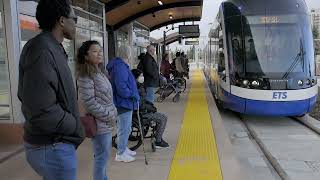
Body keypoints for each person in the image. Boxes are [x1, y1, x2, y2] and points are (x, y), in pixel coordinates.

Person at [17, 0, 84, 179]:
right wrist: (74, 124)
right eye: (74, 19)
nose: (75, 24)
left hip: (55, 143)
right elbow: (40, 109)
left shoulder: (52, 47)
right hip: (53, 146)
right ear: (62, 21)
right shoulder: (42, 50)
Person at [76, 40, 117, 180]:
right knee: (101, 158)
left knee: (103, 157)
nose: (99, 53)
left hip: (105, 122)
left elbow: (105, 97)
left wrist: (112, 112)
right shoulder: (85, 75)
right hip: (99, 123)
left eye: (100, 50)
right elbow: (89, 102)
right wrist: (108, 115)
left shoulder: (99, 72)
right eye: (95, 51)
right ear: (86, 56)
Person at [106, 45, 140, 163]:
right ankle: (120, 153)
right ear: (127, 53)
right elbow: (121, 87)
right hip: (124, 102)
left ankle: (124, 148)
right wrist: (131, 94)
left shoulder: (120, 66)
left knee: (126, 128)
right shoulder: (120, 67)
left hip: (125, 102)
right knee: (124, 129)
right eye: (130, 52)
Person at [131, 69, 170, 148]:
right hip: (142, 113)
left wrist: (150, 106)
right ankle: (158, 141)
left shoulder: (137, 85)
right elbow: (140, 104)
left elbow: (143, 101)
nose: (142, 77)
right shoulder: (136, 88)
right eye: (140, 76)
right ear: (135, 77)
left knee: (162, 116)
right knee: (163, 118)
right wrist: (150, 108)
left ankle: (157, 136)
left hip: (143, 110)